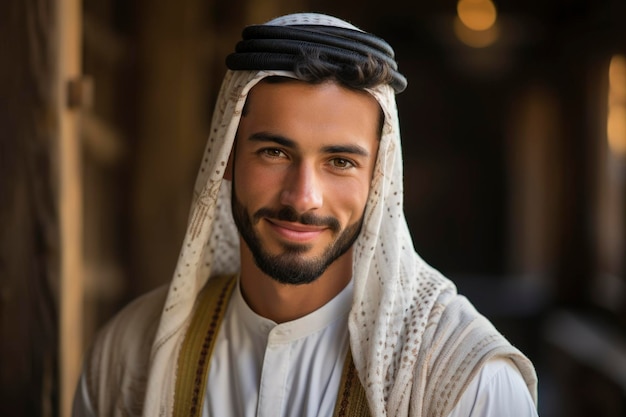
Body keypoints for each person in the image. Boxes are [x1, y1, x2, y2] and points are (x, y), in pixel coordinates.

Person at [73, 12, 538, 417]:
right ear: (227, 158)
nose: (303, 197)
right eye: (274, 152)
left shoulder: (465, 380)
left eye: (340, 162)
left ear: (377, 178)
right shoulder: (130, 355)